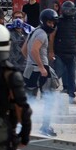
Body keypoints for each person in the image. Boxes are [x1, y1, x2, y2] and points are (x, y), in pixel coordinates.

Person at [22, 9, 58, 137]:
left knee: (28, 100)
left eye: (53, 23)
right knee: (49, 99)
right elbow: (33, 50)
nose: (51, 25)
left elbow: (24, 50)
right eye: (49, 22)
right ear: (44, 21)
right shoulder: (42, 34)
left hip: (30, 70)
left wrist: (30, 63)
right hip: (40, 71)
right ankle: (45, 126)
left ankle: (22, 126)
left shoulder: (33, 31)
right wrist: (42, 67)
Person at [50, 0, 76, 104]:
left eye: (70, 9)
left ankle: (71, 97)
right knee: (57, 74)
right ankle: (48, 94)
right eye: (66, 9)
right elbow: (52, 37)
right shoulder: (58, 21)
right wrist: (51, 52)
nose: (68, 11)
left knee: (72, 76)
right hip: (59, 53)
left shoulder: (75, 23)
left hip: (72, 53)